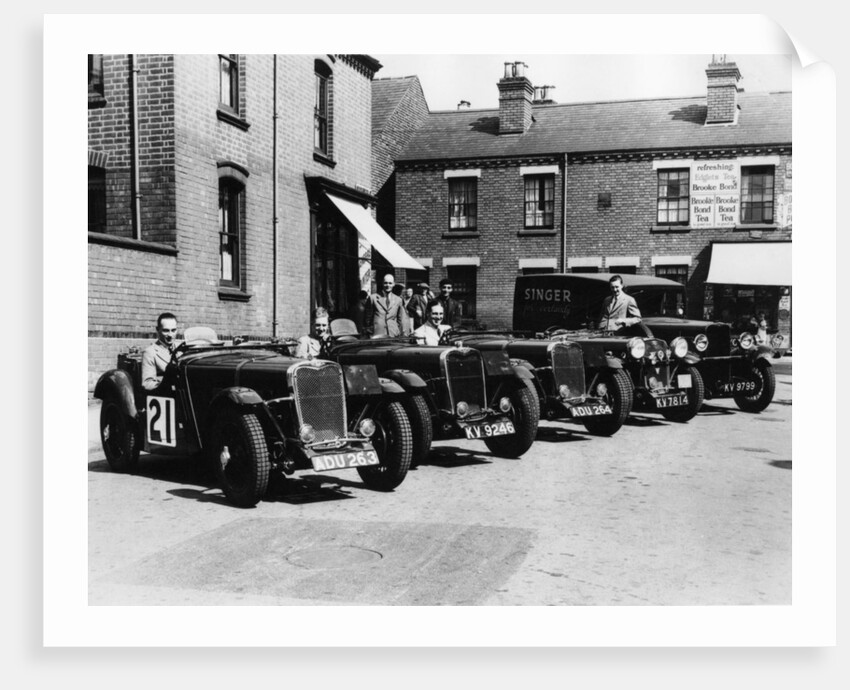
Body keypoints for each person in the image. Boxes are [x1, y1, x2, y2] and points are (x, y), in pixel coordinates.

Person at [142, 312, 179, 390]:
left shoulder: (181, 349)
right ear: (158, 330)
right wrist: (167, 385)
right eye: (166, 331)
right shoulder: (150, 352)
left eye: (173, 330)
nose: (170, 335)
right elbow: (147, 384)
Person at [365, 273, 407, 337]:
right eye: (385, 283)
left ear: (393, 284)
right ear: (382, 284)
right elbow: (367, 318)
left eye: (390, 283)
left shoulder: (398, 300)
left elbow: (400, 319)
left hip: (393, 333)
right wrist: (370, 330)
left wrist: (399, 331)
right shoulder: (373, 298)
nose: (388, 285)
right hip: (377, 334)